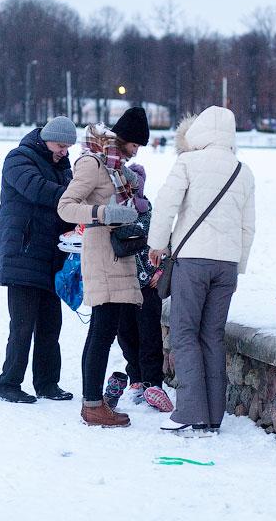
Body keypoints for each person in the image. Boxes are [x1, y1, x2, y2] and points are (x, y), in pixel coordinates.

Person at [148, 106, 255, 435]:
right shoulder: (243, 171)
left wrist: (157, 244)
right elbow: (248, 227)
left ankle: (189, 411)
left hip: (193, 261)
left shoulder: (188, 162)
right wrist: (238, 265)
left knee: (184, 333)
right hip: (226, 267)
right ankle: (212, 415)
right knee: (212, 336)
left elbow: (166, 204)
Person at [57, 106, 150, 427]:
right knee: (101, 333)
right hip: (102, 256)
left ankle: (93, 403)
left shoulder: (115, 168)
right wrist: (103, 214)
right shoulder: (93, 164)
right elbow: (66, 207)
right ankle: (93, 405)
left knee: (104, 331)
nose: (137, 150)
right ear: (123, 138)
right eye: (136, 144)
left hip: (118, 256)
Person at [0, 116, 77, 403]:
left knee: (50, 326)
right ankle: (8, 384)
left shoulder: (63, 167)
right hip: (23, 254)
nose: (64, 151)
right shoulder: (18, 158)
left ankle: (47, 383)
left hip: (52, 257)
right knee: (22, 326)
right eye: (60, 145)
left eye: (68, 147)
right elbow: (37, 189)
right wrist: (75, 197)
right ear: (45, 138)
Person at [107, 163, 173, 413]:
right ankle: (135, 378)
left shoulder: (151, 213)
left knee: (150, 336)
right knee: (125, 334)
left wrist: (161, 271)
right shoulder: (114, 211)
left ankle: (153, 383)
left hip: (148, 283)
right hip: (122, 281)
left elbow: (168, 244)